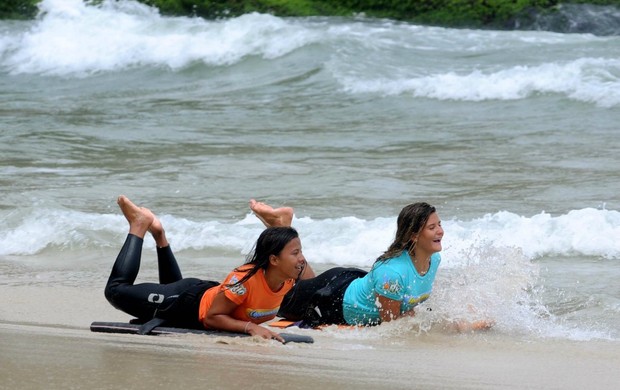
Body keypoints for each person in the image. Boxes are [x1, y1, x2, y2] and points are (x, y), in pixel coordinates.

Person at [104, 195, 315, 343]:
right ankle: (139, 224)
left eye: (300, 251)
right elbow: (212, 317)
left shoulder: (288, 277)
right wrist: (250, 327)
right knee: (115, 290)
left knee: (169, 287)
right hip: (186, 303)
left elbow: (312, 288)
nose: (301, 259)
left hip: (207, 292)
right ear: (274, 260)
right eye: (295, 253)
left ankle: (159, 234)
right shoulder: (244, 281)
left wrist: (283, 231)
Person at [250, 199, 444, 327]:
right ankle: (280, 232)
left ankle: (281, 226)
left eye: (440, 225)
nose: (440, 231)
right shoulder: (392, 273)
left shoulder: (433, 259)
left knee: (308, 287)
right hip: (335, 300)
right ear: (413, 236)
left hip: (350, 283)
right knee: (282, 299)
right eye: (432, 227)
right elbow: (391, 325)